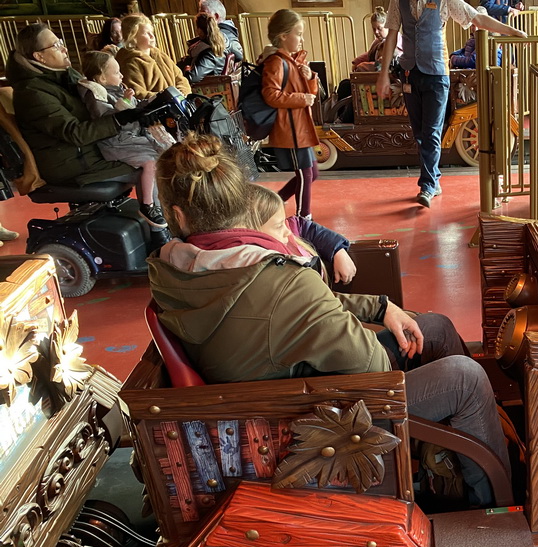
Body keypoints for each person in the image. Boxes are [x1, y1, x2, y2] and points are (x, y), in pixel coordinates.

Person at [150, 133, 510, 506]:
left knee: (433, 328)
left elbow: (292, 311)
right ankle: (491, 505)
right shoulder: (277, 279)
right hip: (310, 420)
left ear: (177, 214)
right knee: (465, 379)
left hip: (274, 391)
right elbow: (368, 364)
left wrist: (380, 308)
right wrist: (353, 324)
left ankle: (443, 455)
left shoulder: (175, 268)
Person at [377, 0, 526, 208]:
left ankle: (427, 185)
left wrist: (512, 31)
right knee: (419, 133)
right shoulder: (399, 1)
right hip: (410, 74)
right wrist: (383, 75)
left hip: (437, 74)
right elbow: (392, 34)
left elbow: (477, 18)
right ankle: (434, 180)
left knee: (431, 132)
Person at [8, 23, 145, 188]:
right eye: (56, 46)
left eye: (61, 42)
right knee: (160, 163)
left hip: (95, 151)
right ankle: (153, 210)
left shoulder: (65, 75)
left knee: (167, 153)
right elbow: (74, 133)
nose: (64, 49)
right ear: (39, 57)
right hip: (75, 166)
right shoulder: (31, 92)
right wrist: (119, 119)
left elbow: (100, 99)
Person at [78, 51, 172, 228]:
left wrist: (147, 103)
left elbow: (132, 112)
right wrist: (125, 104)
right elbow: (106, 120)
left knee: (163, 150)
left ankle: (163, 205)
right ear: (102, 79)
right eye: (116, 73)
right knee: (151, 161)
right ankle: (147, 205)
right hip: (115, 143)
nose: (121, 75)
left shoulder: (116, 89)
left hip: (127, 137)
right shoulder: (95, 94)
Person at [260, 9, 320, 220]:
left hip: (300, 127)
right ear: (284, 36)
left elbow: (310, 92)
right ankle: (304, 217)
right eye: (298, 33)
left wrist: (310, 77)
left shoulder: (292, 61)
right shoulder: (276, 62)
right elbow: (271, 95)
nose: (301, 39)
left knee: (313, 172)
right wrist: (301, 99)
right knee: (305, 173)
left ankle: (276, 201)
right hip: (291, 129)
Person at [246, 183, 357, 284]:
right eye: (279, 226)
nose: (288, 231)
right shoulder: (264, 270)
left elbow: (306, 228)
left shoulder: (292, 228)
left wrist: (338, 251)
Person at [116, 14, 192, 100]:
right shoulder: (130, 62)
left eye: (151, 32)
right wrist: (167, 98)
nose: (152, 36)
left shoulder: (159, 54)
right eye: (146, 33)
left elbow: (180, 78)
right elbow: (137, 93)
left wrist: (182, 93)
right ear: (133, 37)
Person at [182, 12, 233, 83]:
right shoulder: (222, 43)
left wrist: (187, 70)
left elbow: (192, 78)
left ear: (200, 30)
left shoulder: (210, 55)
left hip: (207, 87)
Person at [197, 0, 244, 64]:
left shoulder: (220, 37)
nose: (200, 17)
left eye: (204, 14)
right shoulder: (229, 33)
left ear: (216, 17)